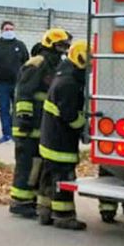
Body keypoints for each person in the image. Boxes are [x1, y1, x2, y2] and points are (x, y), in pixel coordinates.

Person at [8, 27, 71, 219]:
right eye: (60, 46)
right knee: (27, 165)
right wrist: (25, 118)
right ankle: (20, 202)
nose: (63, 50)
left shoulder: (54, 66)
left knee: (37, 165)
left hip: (40, 126)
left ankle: (30, 199)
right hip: (28, 126)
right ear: (50, 45)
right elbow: (24, 92)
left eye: (65, 46)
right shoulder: (37, 63)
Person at [37, 38, 88, 230]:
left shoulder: (63, 74)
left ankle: (44, 211)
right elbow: (70, 116)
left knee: (48, 176)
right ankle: (63, 217)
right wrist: (85, 127)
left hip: (50, 138)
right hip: (60, 141)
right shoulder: (69, 83)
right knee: (63, 178)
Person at [0, 20, 29, 144]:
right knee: (4, 109)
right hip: (2, 84)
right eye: (6, 29)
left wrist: (24, 80)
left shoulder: (20, 45)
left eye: (11, 29)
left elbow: (27, 63)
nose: (9, 31)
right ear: (2, 31)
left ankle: (16, 133)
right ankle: (7, 134)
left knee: (17, 109)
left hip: (17, 84)